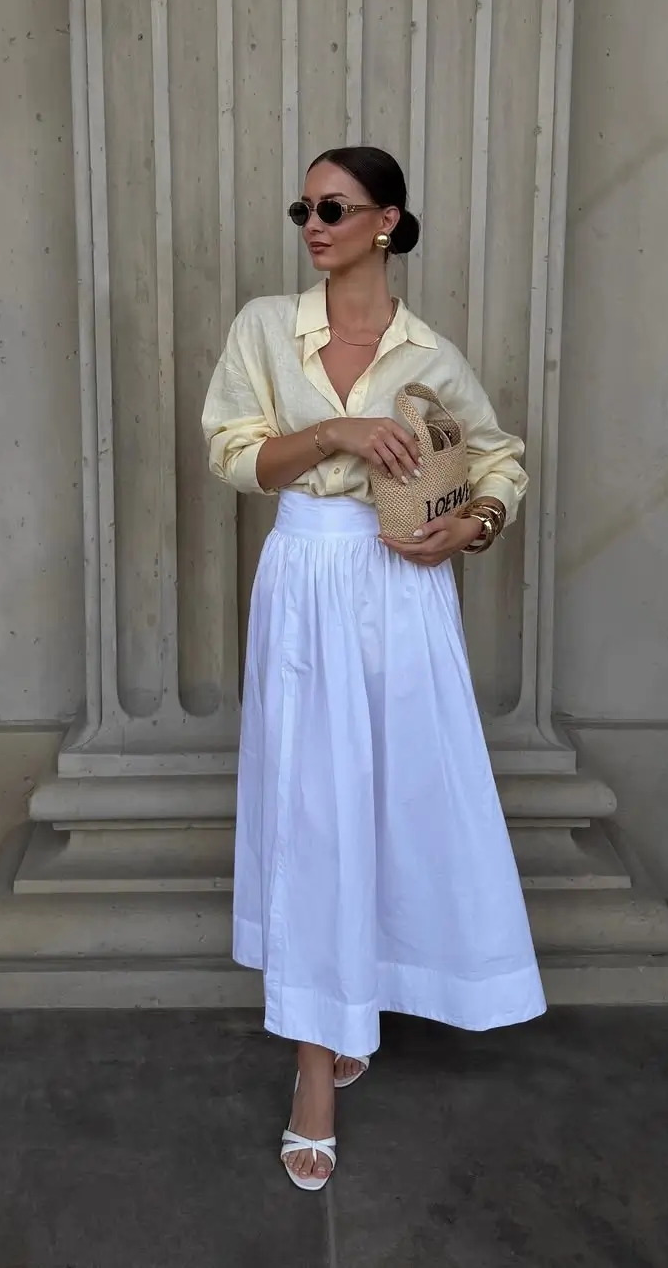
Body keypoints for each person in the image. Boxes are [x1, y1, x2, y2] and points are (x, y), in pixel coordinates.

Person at [202, 145, 545, 1191]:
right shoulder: (267, 327)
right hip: (306, 574)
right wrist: (335, 431)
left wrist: (474, 525)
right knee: (315, 813)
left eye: (335, 206)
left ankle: (351, 1000)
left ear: (386, 222)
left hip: (403, 587)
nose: (313, 221)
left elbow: (498, 455)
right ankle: (315, 1069)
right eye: (303, 204)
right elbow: (231, 451)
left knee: (391, 802)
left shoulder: (430, 352)